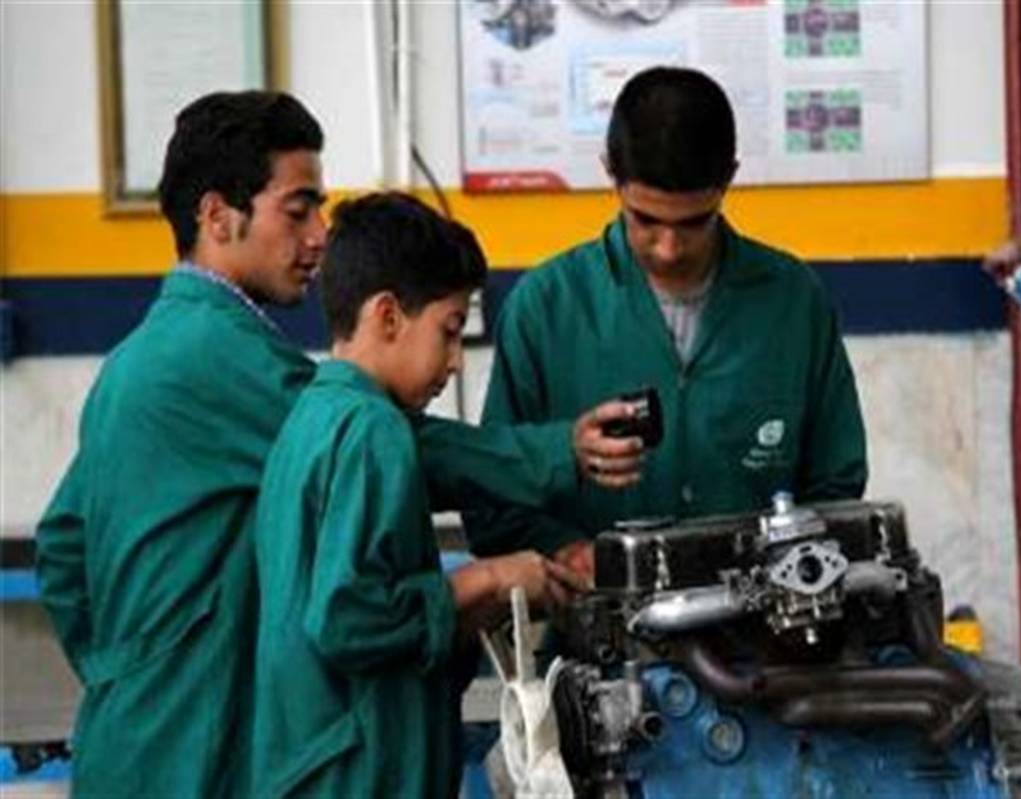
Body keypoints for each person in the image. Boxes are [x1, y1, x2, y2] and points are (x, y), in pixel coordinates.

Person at [34, 91, 636, 798]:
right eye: (298, 210)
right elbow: (391, 451)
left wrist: (129, 672)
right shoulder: (220, 357)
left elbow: (63, 549)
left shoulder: (135, 359)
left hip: (130, 740)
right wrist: (556, 457)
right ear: (217, 215)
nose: (319, 236)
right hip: (191, 749)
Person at [466, 66, 868, 577]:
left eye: (693, 222)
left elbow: (837, 484)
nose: (669, 248)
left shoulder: (793, 301)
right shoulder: (544, 308)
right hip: (597, 617)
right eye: (647, 220)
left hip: (764, 618)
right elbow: (496, 500)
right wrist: (569, 552)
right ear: (610, 173)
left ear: (729, 179)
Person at [252, 192, 590, 798]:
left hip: (312, 763)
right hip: (365, 775)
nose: (456, 361)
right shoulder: (373, 430)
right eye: (449, 331)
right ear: (387, 316)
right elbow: (351, 618)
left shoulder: (313, 417)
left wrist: (497, 596)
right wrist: (488, 580)